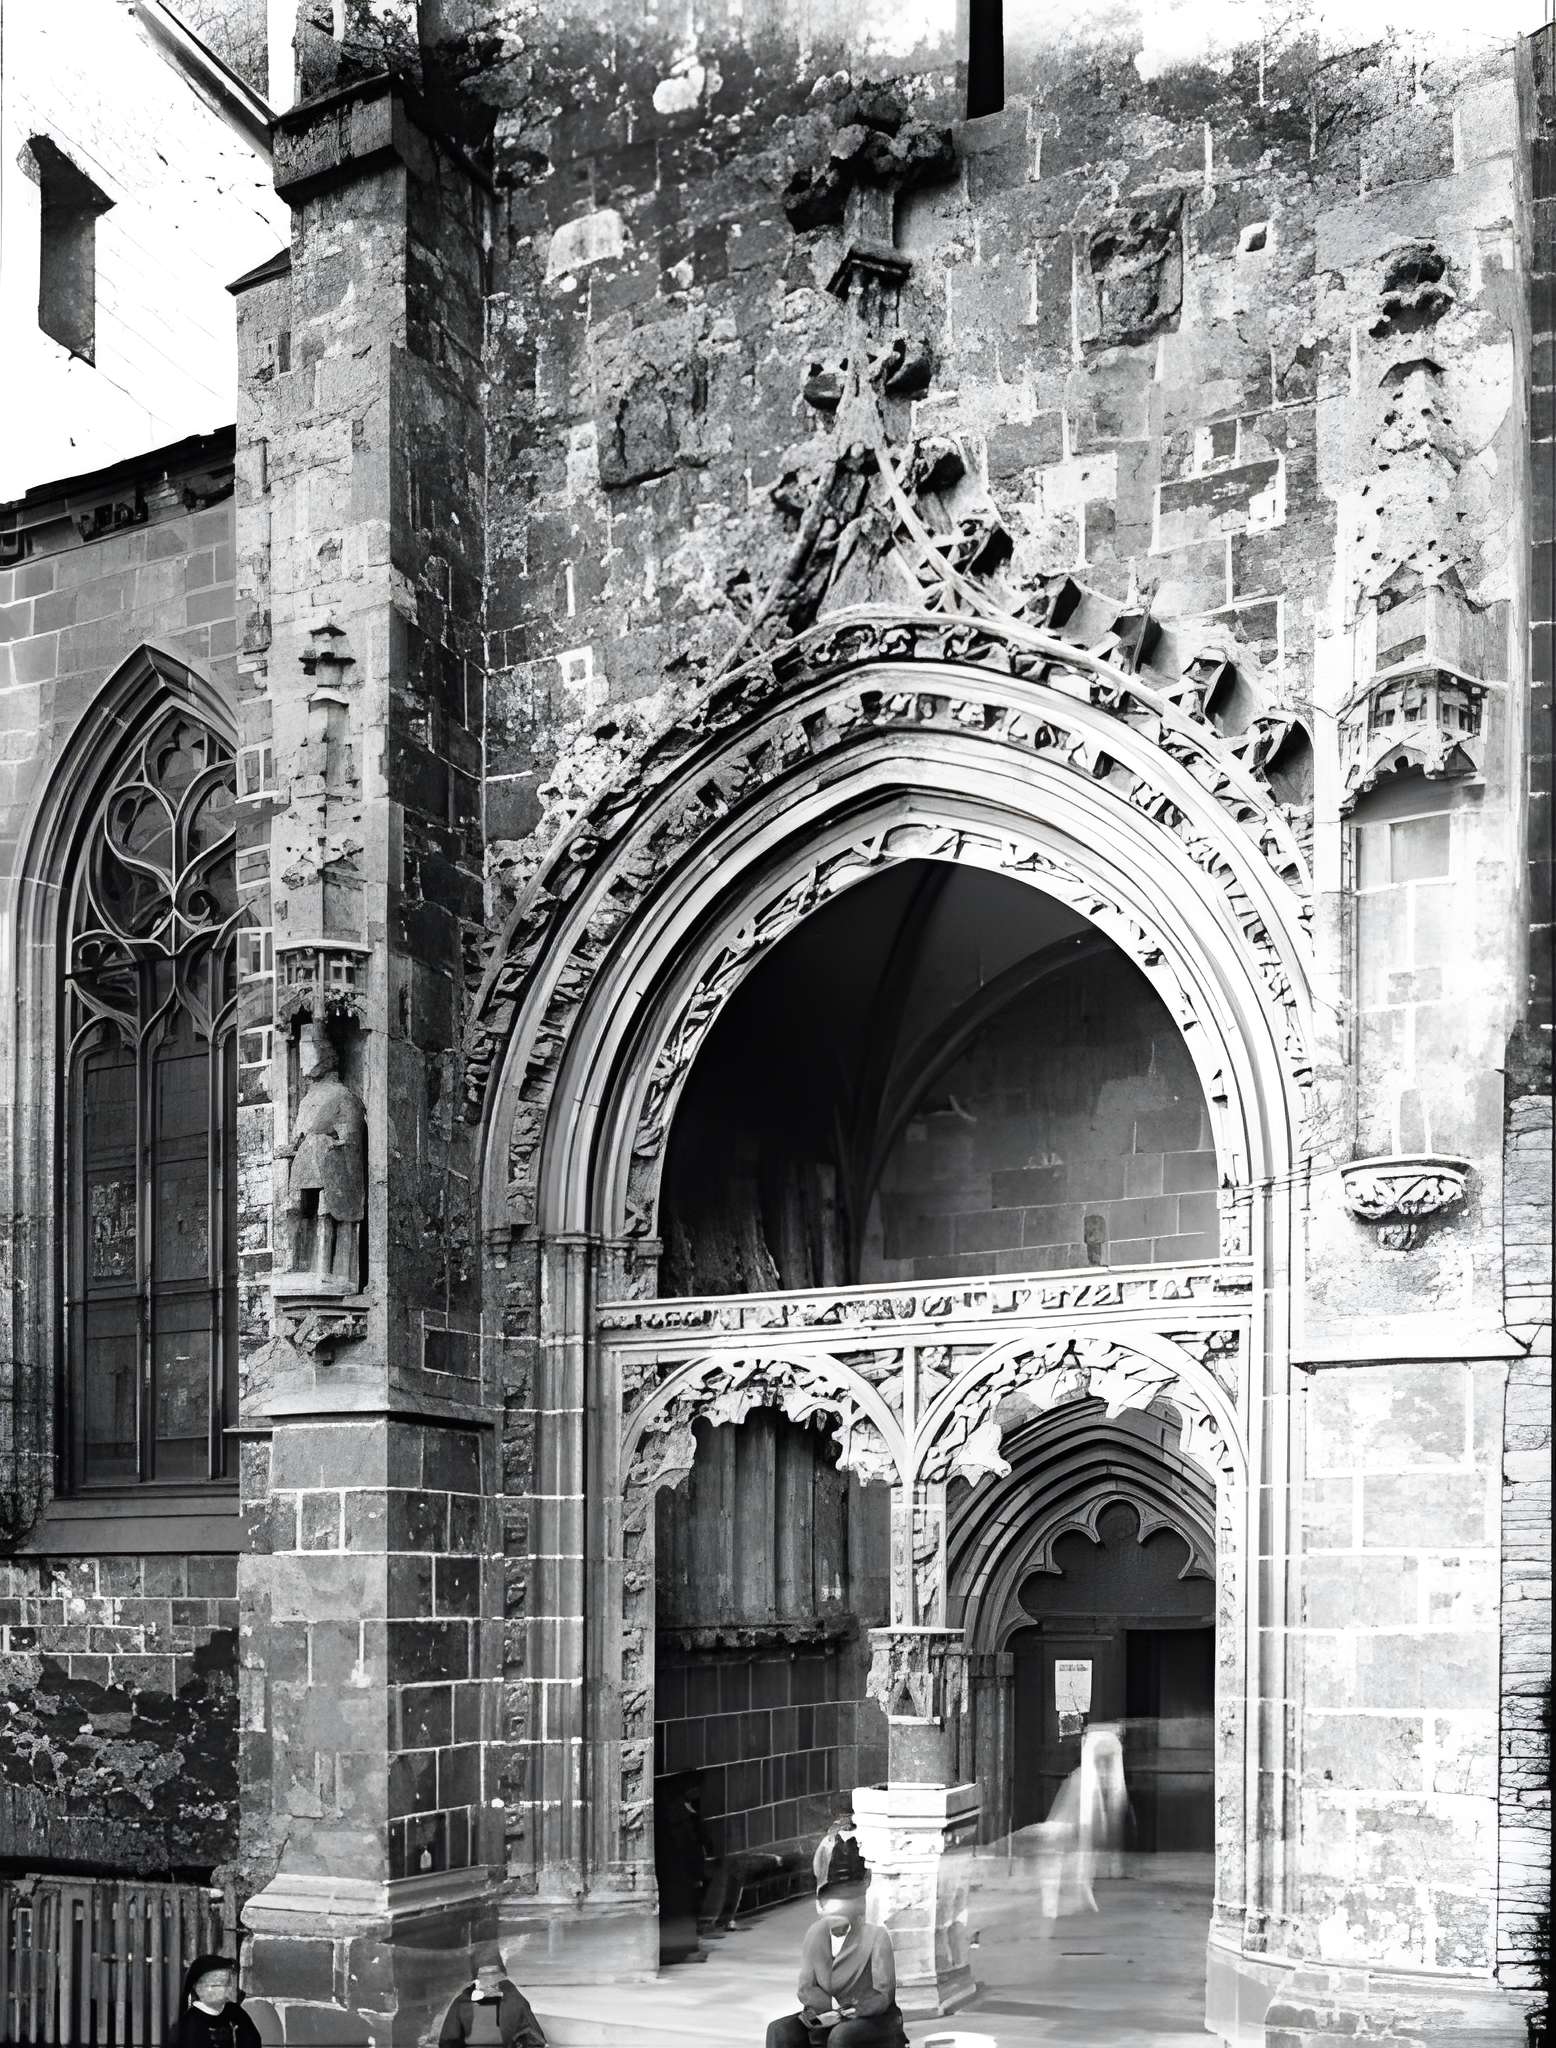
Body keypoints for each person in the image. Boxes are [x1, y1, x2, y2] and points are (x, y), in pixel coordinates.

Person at [764, 1878, 906, 2048]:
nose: (836, 1921)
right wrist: (824, 2013)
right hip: (825, 2013)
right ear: (820, 1909)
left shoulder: (876, 1936)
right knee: (779, 2029)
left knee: (840, 2036)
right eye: (831, 1915)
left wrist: (842, 2013)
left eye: (844, 1915)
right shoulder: (815, 1934)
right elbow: (805, 1988)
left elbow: (883, 1995)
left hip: (872, 2017)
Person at [437, 1948, 546, 2047]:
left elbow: (533, 2038)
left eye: (494, 1973)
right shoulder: (462, 2003)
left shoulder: (514, 2001)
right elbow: (448, 2041)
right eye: (483, 1974)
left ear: (501, 1975)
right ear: (476, 1978)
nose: (489, 1979)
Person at [167, 1954, 262, 2048]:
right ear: (197, 1987)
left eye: (227, 1982)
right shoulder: (187, 2025)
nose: (224, 1988)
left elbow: (253, 2040)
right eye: (216, 1984)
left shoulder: (235, 2012)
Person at [811, 1799, 866, 1891]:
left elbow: (817, 1865)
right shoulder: (830, 1840)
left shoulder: (828, 1840)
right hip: (851, 1888)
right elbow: (818, 1863)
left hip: (839, 1888)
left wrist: (821, 1883)